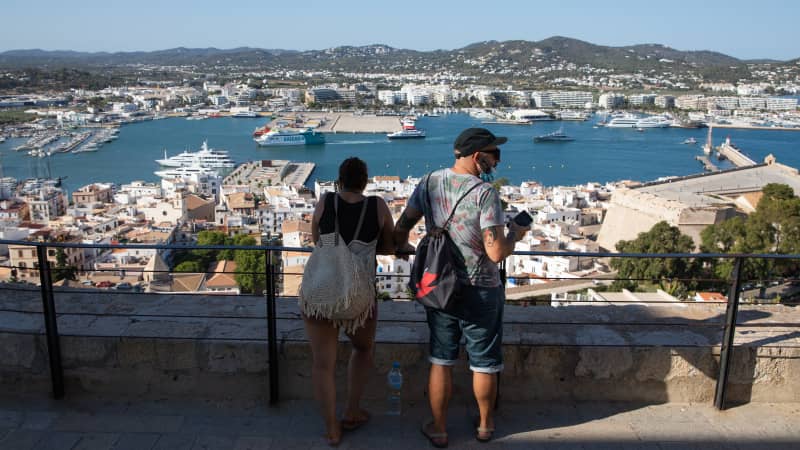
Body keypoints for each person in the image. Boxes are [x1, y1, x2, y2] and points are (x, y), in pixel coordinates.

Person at [393, 128, 529, 447]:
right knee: (483, 361)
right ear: (476, 156)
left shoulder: (429, 183)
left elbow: (402, 227)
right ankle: (485, 425)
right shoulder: (485, 194)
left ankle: (438, 428)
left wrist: (402, 248)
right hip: (481, 288)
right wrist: (515, 236)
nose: (497, 160)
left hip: (439, 286)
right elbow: (495, 253)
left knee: (441, 359)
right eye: (494, 153)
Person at [304, 157, 396, 447]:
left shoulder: (326, 201)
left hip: (322, 291)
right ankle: (352, 410)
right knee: (363, 348)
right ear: (365, 181)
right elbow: (389, 245)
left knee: (322, 364)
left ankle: (332, 429)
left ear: (340, 180)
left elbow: (316, 238)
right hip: (359, 294)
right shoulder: (377, 205)